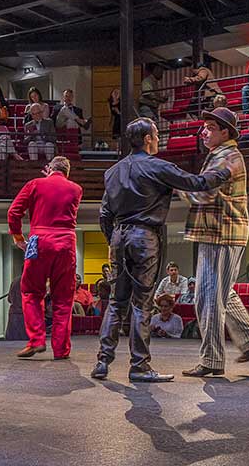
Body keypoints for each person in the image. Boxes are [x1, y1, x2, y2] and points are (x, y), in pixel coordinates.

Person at [92, 117, 230, 382]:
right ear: (147, 139)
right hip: (145, 238)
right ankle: (139, 366)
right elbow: (196, 183)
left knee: (116, 303)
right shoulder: (157, 166)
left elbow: (104, 215)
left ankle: (102, 363)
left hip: (119, 237)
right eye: (156, 135)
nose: (158, 139)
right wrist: (223, 172)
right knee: (142, 305)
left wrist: (114, 239)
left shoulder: (112, 172)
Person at [178, 107, 249, 378]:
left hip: (220, 233)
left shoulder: (226, 156)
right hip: (223, 232)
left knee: (207, 296)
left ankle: (212, 359)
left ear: (225, 132)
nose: (203, 132)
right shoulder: (223, 155)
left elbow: (204, 193)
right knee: (222, 292)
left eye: (210, 128)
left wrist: (176, 184)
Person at [9, 155, 83, 360]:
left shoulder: (35, 184)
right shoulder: (76, 189)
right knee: (63, 298)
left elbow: (14, 212)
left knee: (31, 292)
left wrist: (18, 237)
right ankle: (61, 350)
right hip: (66, 244)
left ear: (49, 168)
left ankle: (36, 340)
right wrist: (52, 176)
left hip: (38, 241)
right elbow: (58, 190)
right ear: (68, 172)